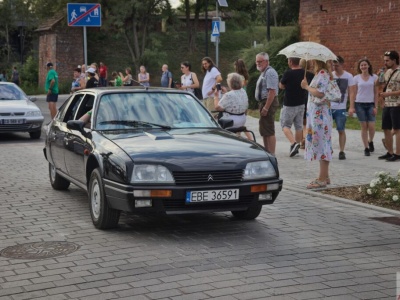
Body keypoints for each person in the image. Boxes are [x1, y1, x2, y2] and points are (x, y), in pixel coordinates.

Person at [301, 60, 333, 189]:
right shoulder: (320, 74)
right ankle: (325, 175)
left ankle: (322, 179)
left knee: (322, 144)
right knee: (321, 143)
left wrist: (306, 87)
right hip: (317, 116)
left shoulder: (323, 74)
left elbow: (320, 93)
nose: (311, 64)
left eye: (313, 61)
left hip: (320, 117)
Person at [279, 57, 314, 157]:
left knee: (285, 125)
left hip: (289, 104)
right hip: (301, 103)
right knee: (298, 126)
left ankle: (293, 143)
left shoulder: (288, 73)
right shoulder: (305, 73)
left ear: (290, 62)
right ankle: (296, 147)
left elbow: (281, 86)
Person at [348, 58, 378, 156]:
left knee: (372, 126)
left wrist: (376, 106)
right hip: (359, 104)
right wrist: (352, 106)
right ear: (359, 67)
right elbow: (353, 93)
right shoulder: (356, 78)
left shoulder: (374, 77)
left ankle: (370, 141)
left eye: (365, 65)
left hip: (370, 104)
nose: (363, 67)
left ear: (369, 66)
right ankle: (366, 147)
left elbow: (376, 92)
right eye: (361, 65)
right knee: (364, 126)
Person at [254, 52, 280, 154]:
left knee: (269, 129)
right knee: (264, 129)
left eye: (260, 61)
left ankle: (271, 153)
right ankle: (267, 151)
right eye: (257, 62)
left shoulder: (270, 72)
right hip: (264, 102)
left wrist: (266, 107)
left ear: (266, 61)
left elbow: (272, 91)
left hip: (268, 102)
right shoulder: (263, 72)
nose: (258, 64)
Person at [331, 55, 356, 160]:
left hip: (341, 106)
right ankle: (328, 148)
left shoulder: (349, 76)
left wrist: (351, 107)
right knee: (326, 129)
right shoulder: (330, 75)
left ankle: (341, 151)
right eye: (333, 66)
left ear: (341, 64)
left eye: (336, 65)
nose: (335, 68)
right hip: (329, 106)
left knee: (341, 129)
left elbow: (352, 92)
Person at [378, 50, 400, 161]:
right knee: (386, 128)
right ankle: (389, 151)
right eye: (384, 60)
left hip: (397, 104)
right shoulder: (387, 72)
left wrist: (389, 94)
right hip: (387, 103)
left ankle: (398, 153)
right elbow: (383, 86)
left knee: (397, 128)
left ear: (394, 60)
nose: (385, 63)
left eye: (387, 61)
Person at [299, 59, 315, 149]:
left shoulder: (298, 74)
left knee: (302, 123)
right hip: (309, 99)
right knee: (307, 122)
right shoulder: (312, 75)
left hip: (300, 99)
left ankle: (303, 140)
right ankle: (306, 139)